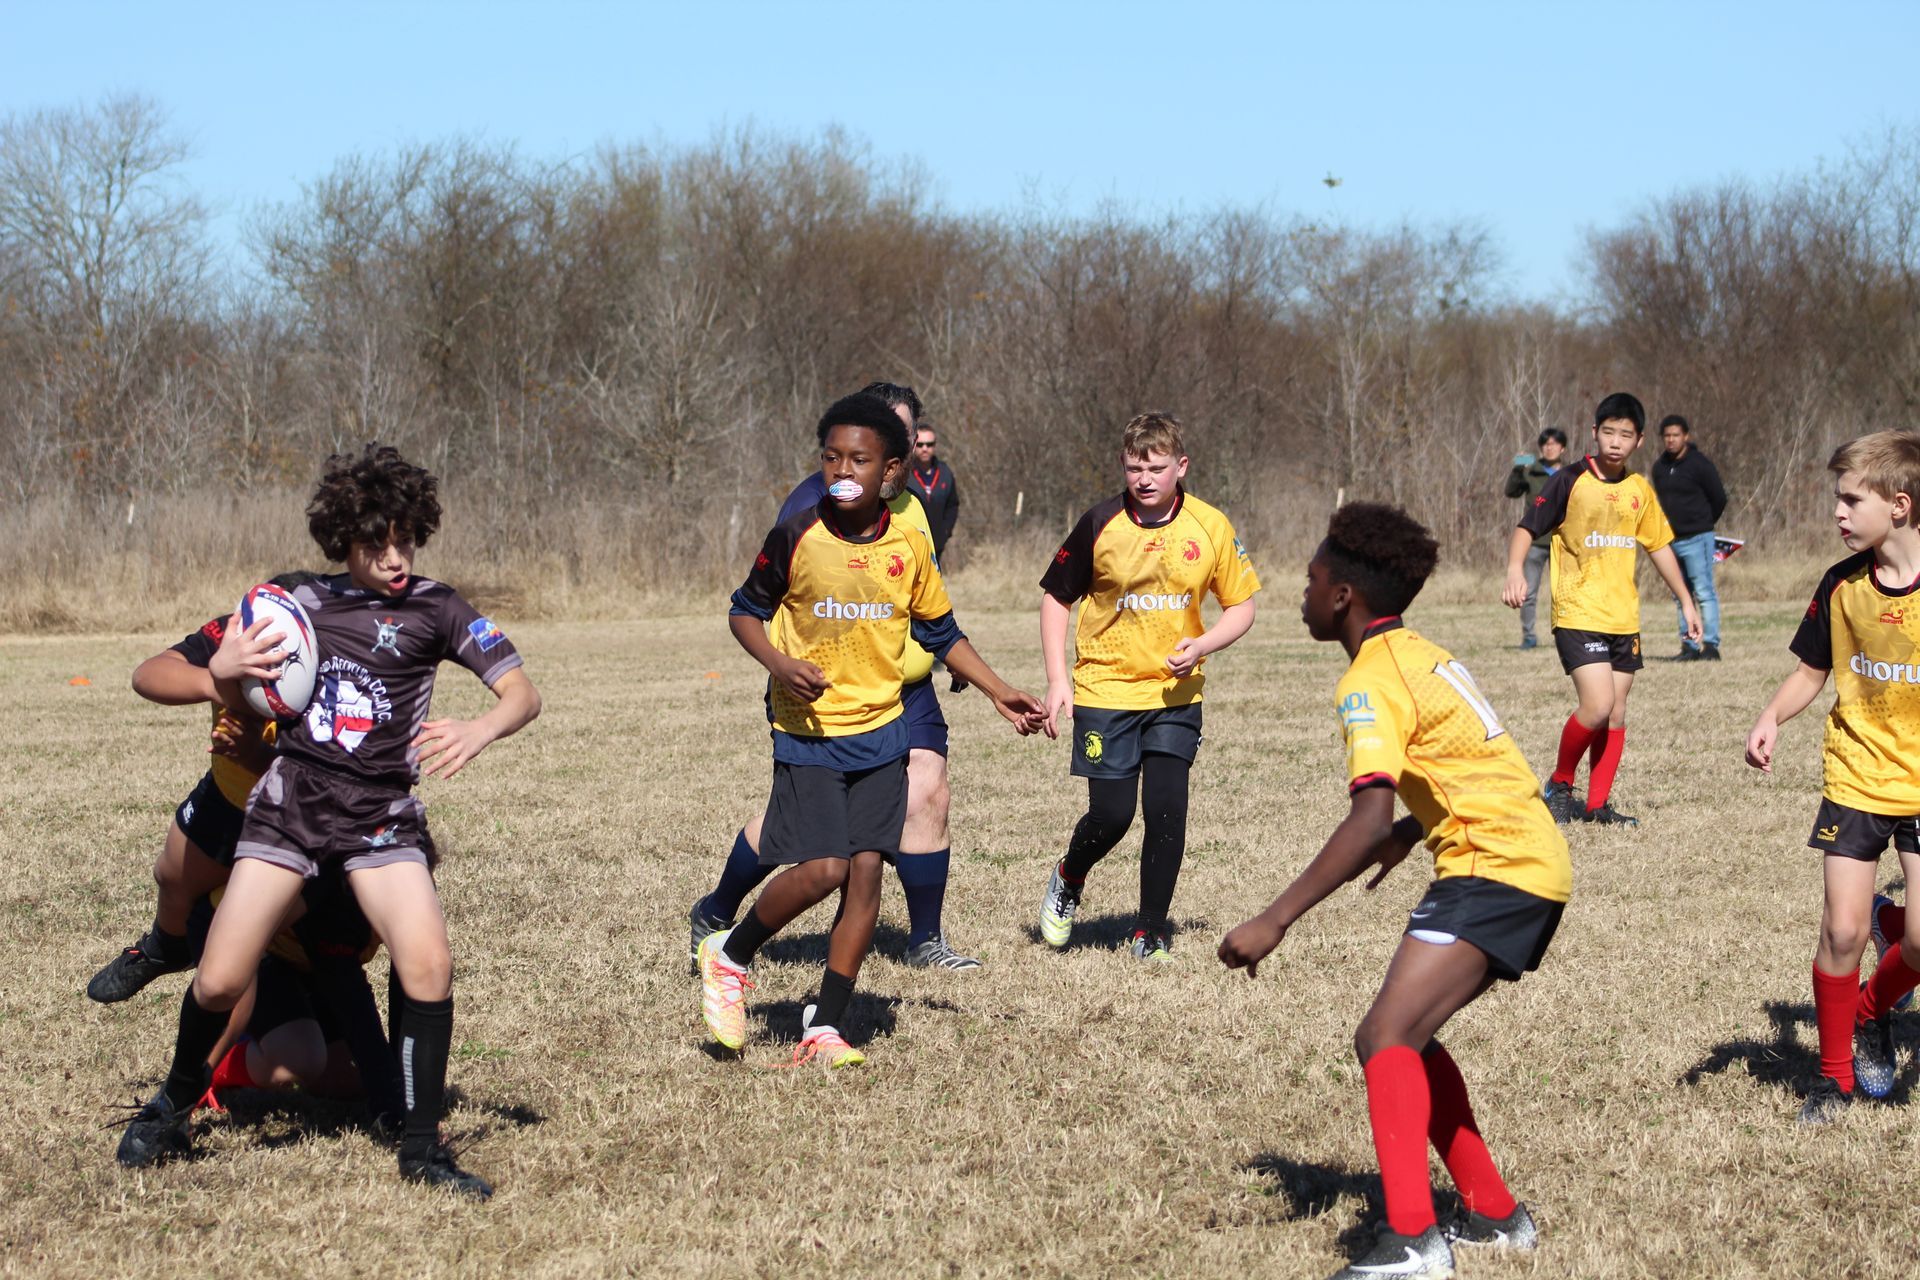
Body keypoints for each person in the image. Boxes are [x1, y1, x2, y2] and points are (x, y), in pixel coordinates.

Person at [114, 443, 541, 1199]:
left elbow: (522, 694)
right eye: (379, 542)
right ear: (345, 538)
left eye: (407, 538)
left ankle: (421, 1148)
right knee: (217, 978)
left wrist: (480, 729)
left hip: (381, 816)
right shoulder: (299, 605)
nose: (396, 556)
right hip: (292, 812)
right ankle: (171, 1106)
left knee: (430, 965)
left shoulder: (439, 607)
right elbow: (203, 675)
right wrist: (224, 673)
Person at [1220, 502, 1570, 1280]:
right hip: (1523, 859)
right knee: (1404, 1036)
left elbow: (1366, 812)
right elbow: (1469, 761)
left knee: (1384, 1038)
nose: (1301, 594)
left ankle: (1414, 1240)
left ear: (1342, 595)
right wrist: (1414, 834)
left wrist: (1275, 919)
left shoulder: (1368, 680)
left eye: (1310, 581)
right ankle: (1492, 1213)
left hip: (1494, 867)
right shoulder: (1422, 652)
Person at [696, 393, 1048, 1067]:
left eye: (858, 458)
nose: (842, 470)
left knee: (864, 877)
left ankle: (824, 1027)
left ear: (892, 470)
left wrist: (1000, 691)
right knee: (824, 866)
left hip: (883, 729)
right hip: (809, 729)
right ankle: (732, 954)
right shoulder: (797, 533)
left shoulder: (909, 544)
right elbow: (744, 611)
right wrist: (777, 660)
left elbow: (942, 631)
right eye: (831, 457)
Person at [688, 383, 982, 971]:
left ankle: (919, 944)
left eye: (898, 445)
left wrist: (969, 669)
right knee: (814, 845)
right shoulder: (810, 510)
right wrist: (782, 665)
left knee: (921, 796)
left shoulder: (912, 509)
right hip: (823, 701)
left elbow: (923, 604)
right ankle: (722, 915)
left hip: (902, 692)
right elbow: (775, 601)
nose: (889, 458)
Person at [1035, 412, 1260, 961]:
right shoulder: (1099, 524)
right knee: (1112, 816)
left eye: (1157, 467)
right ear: (1123, 465)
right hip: (1106, 690)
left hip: (1174, 697)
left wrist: (1202, 646)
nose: (1145, 478)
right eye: (1136, 467)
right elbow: (1055, 599)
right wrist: (1058, 679)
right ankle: (1069, 875)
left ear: (1181, 467)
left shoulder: (1209, 526)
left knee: (1166, 810)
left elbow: (1242, 606)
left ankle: (1150, 929)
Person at [1745, 429, 1920, 1123]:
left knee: (1917, 943)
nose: (1839, 513)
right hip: (1854, 778)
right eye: (1837, 499)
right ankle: (1833, 1076)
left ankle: (1874, 1008)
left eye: (1853, 500)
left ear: (1900, 505)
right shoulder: (1841, 585)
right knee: (1841, 933)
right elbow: (1812, 670)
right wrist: (1771, 716)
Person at [87, 574, 318, 1004]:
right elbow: (148, 675)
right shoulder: (234, 633)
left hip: (298, 816)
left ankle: (283, 992)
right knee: (171, 877)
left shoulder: (336, 656)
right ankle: (164, 948)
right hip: (228, 799)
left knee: (248, 917)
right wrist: (219, 681)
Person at [1501, 393, 1701, 827]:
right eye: (1608, 432)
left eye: (1625, 434)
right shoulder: (1569, 480)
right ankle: (1558, 784)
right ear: (1594, 433)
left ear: (1639, 440)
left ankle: (1597, 806)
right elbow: (1525, 528)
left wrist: (1686, 602)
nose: (1615, 441)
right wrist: (1516, 568)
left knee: (1615, 712)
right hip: (1577, 611)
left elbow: (1660, 546)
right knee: (1596, 705)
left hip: (1622, 617)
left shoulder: (1638, 491)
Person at [1650, 414, 1729, 661]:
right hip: (1671, 541)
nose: (1671, 440)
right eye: (1667, 436)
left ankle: (1711, 645)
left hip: (1698, 537)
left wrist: (1704, 523)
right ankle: (1689, 646)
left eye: (1676, 435)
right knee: (1680, 594)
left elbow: (1719, 497)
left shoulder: (1699, 464)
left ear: (1686, 436)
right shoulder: (1659, 467)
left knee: (1704, 591)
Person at [1503, 428, 1568, 649]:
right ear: (1541, 448)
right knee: (1528, 592)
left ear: (1563, 448)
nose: (1550, 448)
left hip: (1564, 541)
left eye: (1554, 444)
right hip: (1536, 541)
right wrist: (1518, 469)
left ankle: (1566, 636)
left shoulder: (1570, 474)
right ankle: (1529, 636)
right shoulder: (1532, 472)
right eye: (1546, 444)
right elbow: (1511, 492)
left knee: (1564, 592)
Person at [905, 419, 959, 559]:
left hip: (937, 544)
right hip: (909, 544)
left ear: (935, 446)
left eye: (929, 444)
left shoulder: (945, 472)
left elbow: (953, 504)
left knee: (934, 581)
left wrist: (946, 530)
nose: (925, 448)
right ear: (913, 445)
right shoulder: (903, 473)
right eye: (920, 444)